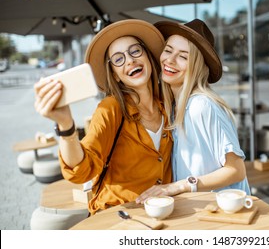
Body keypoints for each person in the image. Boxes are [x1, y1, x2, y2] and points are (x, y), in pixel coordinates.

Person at [34, 20, 173, 215]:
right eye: (118, 59)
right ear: (115, 75)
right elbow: (82, 169)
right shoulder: (110, 108)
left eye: (135, 51)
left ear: (148, 57)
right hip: (119, 215)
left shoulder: (167, 107)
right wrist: (66, 126)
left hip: (162, 213)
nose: (130, 60)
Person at [136, 19, 250, 203]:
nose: (170, 60)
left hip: (222, 216)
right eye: (168, 50)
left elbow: (236, 170)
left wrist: (180, 186)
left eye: (183, 56)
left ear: (196, 65)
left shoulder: (202, 106)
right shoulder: (173, 108)